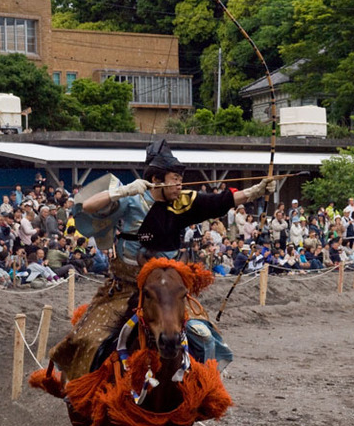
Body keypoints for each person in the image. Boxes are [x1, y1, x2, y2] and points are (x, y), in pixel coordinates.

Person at [50, 139, 276, 380]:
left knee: (205, 338)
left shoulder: (183, 201)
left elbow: (220, 201)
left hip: (169, 293)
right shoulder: (133, 198)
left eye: (181, 178)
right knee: (87, 338)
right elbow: (88, 206)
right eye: (174, 178)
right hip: (127, 287)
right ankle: (81, 394)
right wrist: (122, 191)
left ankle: (200, 394)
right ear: (156, 180)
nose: (180, 184)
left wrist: (256, 191)